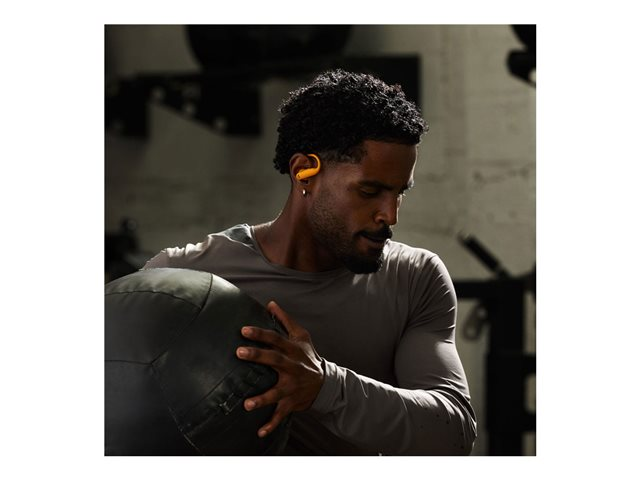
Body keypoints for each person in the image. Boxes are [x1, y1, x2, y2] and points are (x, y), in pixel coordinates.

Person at [143, 69, 477, 455]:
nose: (390, 215)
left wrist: (324, 387)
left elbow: (453, 432)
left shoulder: (414, 278)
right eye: (370, 191)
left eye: (400, 193)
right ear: (304, 171)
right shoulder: (182, 277)